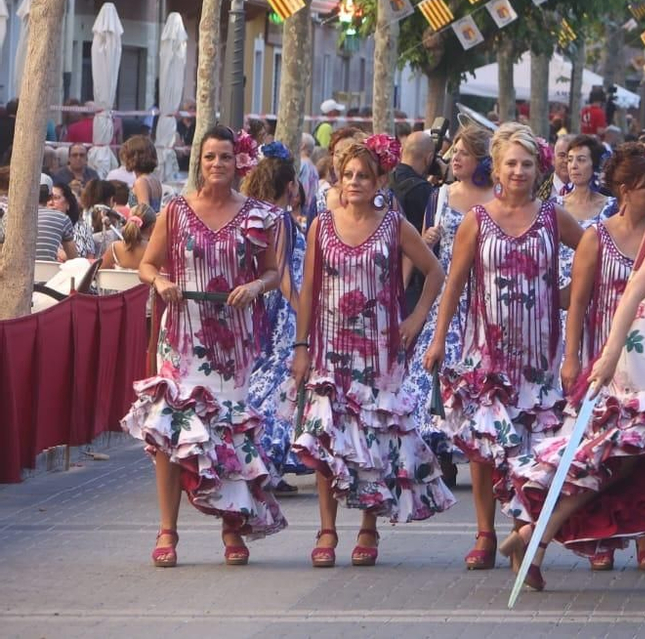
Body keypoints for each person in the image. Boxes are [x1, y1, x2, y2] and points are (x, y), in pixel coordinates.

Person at [502, 147, 645, 594]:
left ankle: (533, 537)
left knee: (620, 462)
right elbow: (631, 295)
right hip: (642, 362)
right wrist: (607, 356)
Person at [124, 126, 288, 566]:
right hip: (181, 337)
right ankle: (167, 531)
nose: (217, 164)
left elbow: (273, 271)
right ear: (200, 161)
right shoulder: (176, 211)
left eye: (226, 157)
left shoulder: (257, 215)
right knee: (171, 435)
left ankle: (232, 528)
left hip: (232, 343)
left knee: (229, 434)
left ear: (239, 164)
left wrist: (255, 286)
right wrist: (160, 281)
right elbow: (146, 264)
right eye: (211, 157)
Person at [425, 123, 585, 570]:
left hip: (539, 358)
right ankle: (485, 532)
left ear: (540, 170)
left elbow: (597, 253)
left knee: (534, 449)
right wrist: (439, 340)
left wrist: (565, 296)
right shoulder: (477, 219)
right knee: (483, 446)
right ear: (495, 167)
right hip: (485, 352)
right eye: (511, 163)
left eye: (527, 164)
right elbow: (454, 283)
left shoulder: (554, 217)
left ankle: (523, 534)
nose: (518, 171)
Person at [290, 139, 452, 566]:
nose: (355, 182)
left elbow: (435, 273)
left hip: (380, 354)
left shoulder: (394, 225)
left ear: (380, 180)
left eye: (364, 175)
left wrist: (415, 320)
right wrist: (301, 346)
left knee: (373, 439)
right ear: (338, 181)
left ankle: (368, 526)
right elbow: (308, 290)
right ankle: (327, 530)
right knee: (328, 438)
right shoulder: (321, 225)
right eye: (348, 176)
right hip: (330, 348)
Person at [557, 143, 645, 573]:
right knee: (603, 453)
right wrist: (570, 359)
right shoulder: (596, 237)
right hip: (602, 355)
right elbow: (579, 302)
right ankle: (600, 533)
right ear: (625, 189)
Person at [399, 127, 492, 483]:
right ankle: (440, 450)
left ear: (481, 160)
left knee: (474, 375)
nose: (456, 157)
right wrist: (426, 240)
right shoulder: (439, 196)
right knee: (437, 372)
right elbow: (422, 250)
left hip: (482, 297)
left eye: (465, 153)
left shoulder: (495, 198)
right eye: (454, 151)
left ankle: (473, 444)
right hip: (447, 298)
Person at [242, 148, 309, 493]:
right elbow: (282, 271)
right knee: (279, 382)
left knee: (267, 379)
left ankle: (258, 456)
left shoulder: (255, 213)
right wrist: (301, 311)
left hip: (265, 305)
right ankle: (264, 457)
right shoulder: (281, 218)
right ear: (289, 185)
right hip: (282, 310)